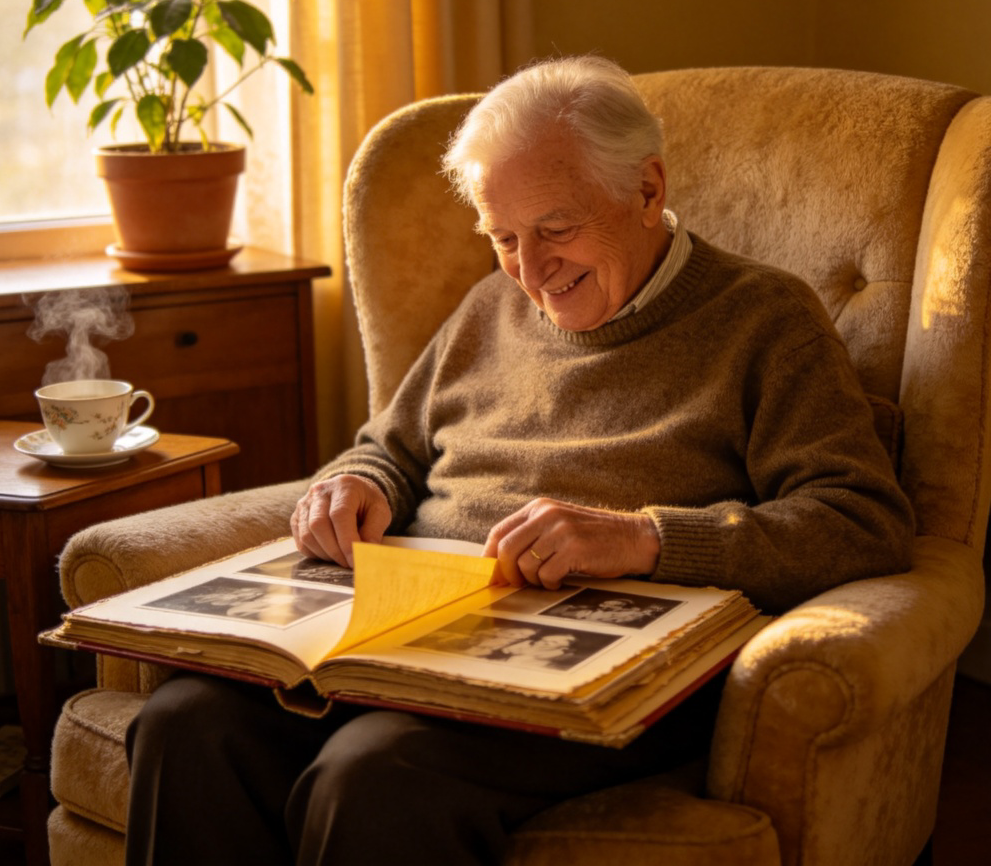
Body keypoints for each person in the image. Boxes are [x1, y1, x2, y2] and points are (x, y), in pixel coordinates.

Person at [125, 55, 914, 866]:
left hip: (601, 666)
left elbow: (862, 522)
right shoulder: (489, 305)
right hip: (416, 634)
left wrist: (644, 538)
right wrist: (354, 484)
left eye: (556, 229)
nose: (531, 275)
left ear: (647, 191)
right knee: (186, 721)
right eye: (503, 238)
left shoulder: (765, 319)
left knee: (373, 774)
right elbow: (390, 447)